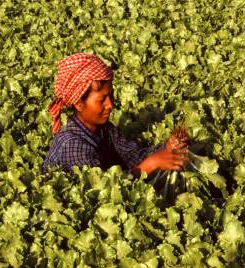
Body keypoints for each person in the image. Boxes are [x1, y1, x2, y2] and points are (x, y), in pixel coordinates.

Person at [43, 53, 188, 177]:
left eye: (111, 96)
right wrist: (149, 166)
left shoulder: (104, 129)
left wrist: (167, 148)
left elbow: (133, 155)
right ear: (79, 104)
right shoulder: (73, 146)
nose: (110, 105)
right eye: (102, 100)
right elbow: (101, 191)